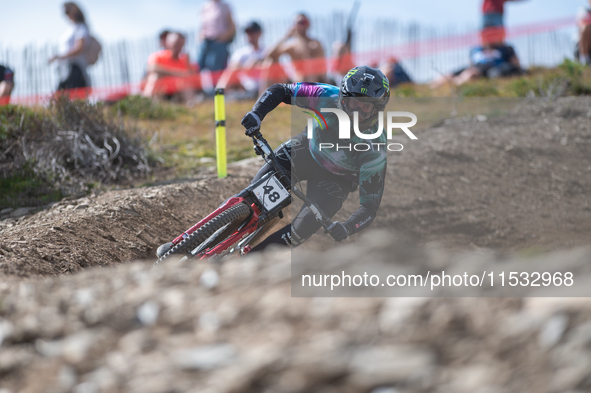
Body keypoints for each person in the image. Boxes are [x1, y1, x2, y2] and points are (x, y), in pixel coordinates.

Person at [156, 65, 389, 257]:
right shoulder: (326, 96)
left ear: (376, 109)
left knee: (303, 227)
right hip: (306, 151)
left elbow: (369, 207)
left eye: (365, 105)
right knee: (251, 198)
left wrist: (347, 227)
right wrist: (257, 114)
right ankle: (186, 244)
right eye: (352, 103)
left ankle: (253, 264)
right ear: (342, 98)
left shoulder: (375, 148)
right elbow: (280, 90)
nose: (356, 110)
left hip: (337, 180)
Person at [431, 27, 521, 88]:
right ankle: (433, 86)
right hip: (474, 66)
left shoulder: (504, 49)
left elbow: (515, 64)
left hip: (490, 67)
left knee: (471, 74)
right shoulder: (476, 49)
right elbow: (471, 62)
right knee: (450, 74)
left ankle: (452, 86)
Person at [258, 13, 326, 95]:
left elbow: (307, 57)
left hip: (312, 81)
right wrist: (285, 36)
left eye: (303, 22)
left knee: (308, 69)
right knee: (270, 62)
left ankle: (307, 100)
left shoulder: (315, 43)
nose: (300, 25)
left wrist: (299, 37)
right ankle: (262, 99)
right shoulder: (292, 45)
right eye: (298, 23)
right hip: (294, 80)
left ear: (308, 24)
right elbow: (268, 55)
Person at [48, 2, 91, 91]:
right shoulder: (71, 28)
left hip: (75, 70)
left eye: (67, 12)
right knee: (60, 99)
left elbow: (80, 48)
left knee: (70, 98)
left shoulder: (81, 27)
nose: (65, 15)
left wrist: (60, 56)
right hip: (66, 70)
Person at [216, 21, 265, 99]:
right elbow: (232, 69)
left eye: (253, 32)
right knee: (230, 72)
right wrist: (248, 67)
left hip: (264, 87)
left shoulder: (267, 50)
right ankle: (218, 97)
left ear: (259, 33)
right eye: (248, 32)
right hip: (245, 88)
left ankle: (218, 95)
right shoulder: (240, 53)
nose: (250, 35)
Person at [142, 32, 195, 102]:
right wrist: (179, 73)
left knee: (186, 82)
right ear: (168, 43)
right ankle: (148, 103)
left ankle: (191, 104)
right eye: (176, 44)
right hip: (161, 91)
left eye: (180, 44)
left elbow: (191, 75)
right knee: (154, 77)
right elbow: (152, 68)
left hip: (177, 92)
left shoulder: (184, 60)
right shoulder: (158, 56)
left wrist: (187, 63)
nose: (178, 47)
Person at [197, 0, 236, 83]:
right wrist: (200, 37)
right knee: (198, 66)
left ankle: (216, 92)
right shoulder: (205, 6)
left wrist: (222, 38)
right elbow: (202, 26)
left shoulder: (225, 6)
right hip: (205, 42)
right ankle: (198, 91)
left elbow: (232, 27)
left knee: (216, 69)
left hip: (219, 43)